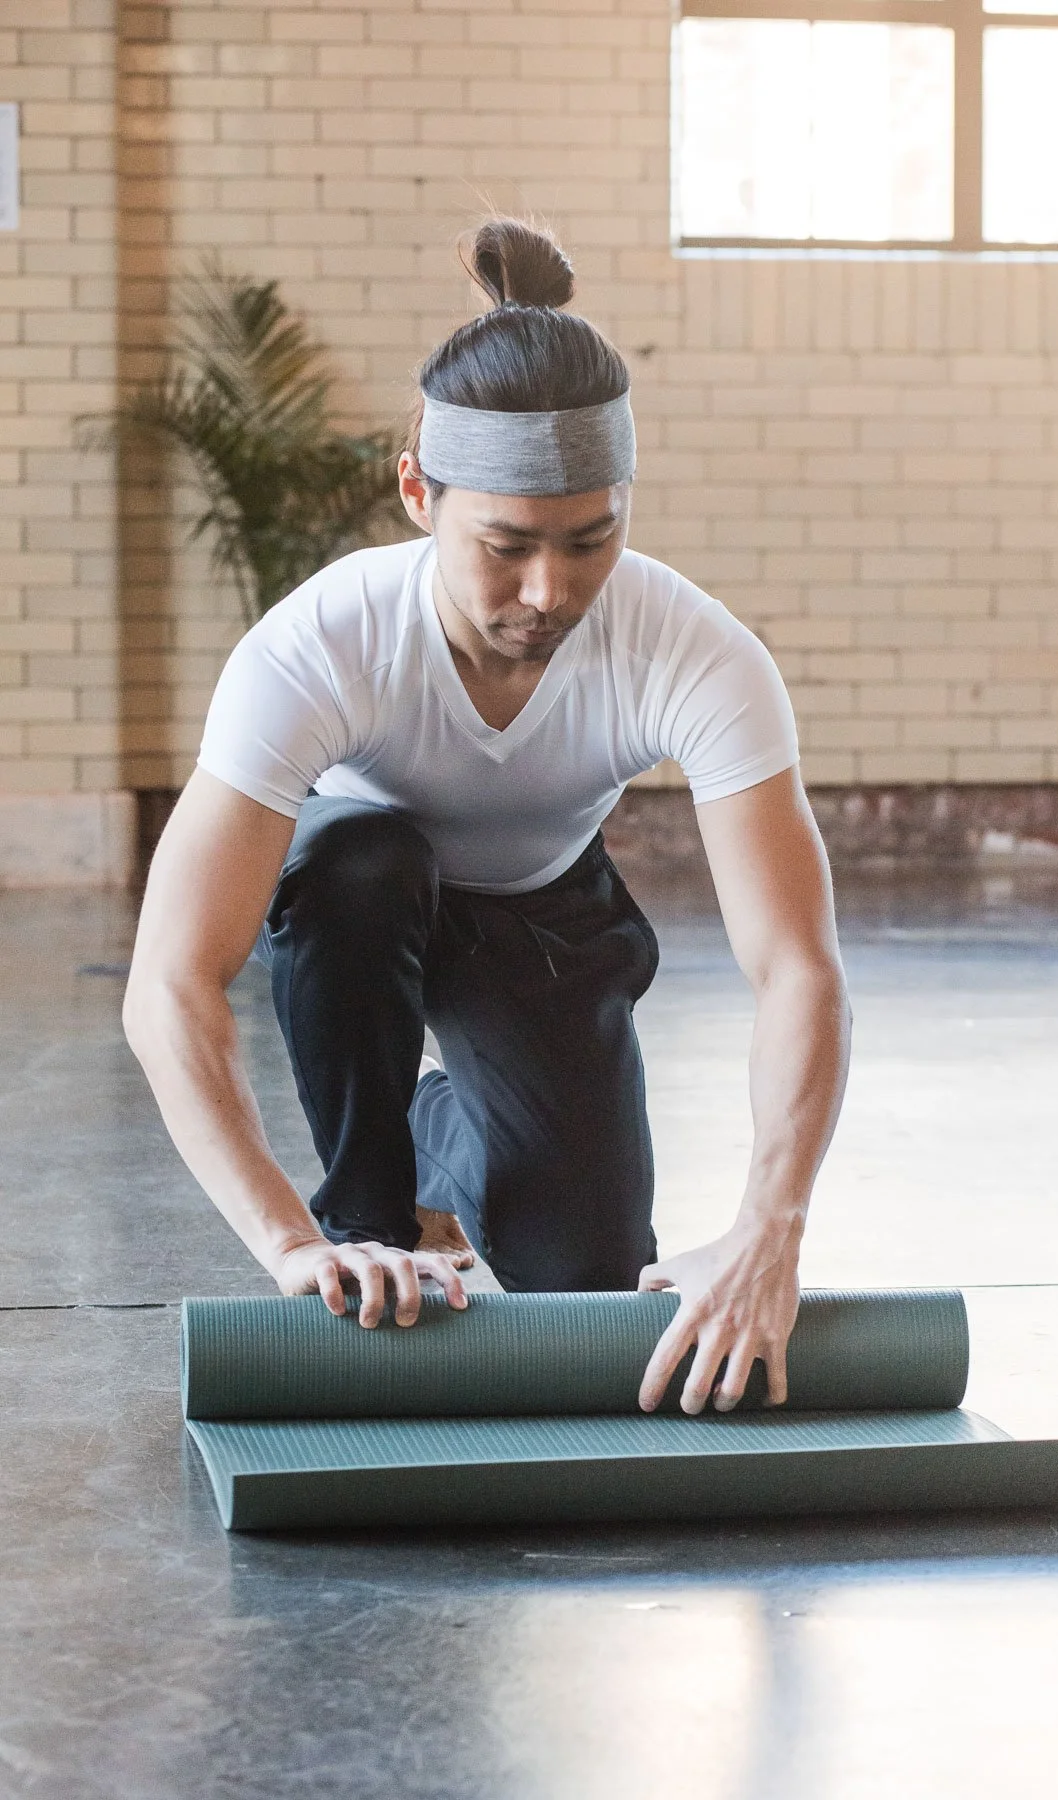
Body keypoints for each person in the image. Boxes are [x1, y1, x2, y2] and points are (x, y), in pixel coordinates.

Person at [123, 218, 851, 1417]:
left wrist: (770, 1230)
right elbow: (171, 981)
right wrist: (293, 1245)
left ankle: (445, 1134)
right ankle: (368, 1210)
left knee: (583, 1273)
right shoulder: (321, 642)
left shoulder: (694, 649)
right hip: (363, 907)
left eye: (590, 540)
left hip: (547, 913)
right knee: (360, 853)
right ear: (419, 491)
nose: (549, 592)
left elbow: (799, 967)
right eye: (505, 545)